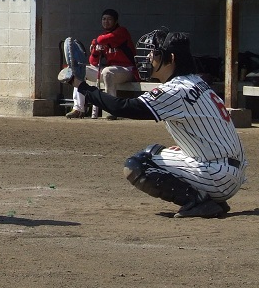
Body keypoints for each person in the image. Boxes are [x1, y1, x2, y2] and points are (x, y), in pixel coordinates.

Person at [59, 28, 247, 218]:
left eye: (155, 53)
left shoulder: (176, 89)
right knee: (153, 151)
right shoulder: (196, 81)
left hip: (218, 176)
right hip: (230, 171)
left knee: (137, 165)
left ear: (171, 58)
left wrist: (81, 86)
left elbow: (122, 107)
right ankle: (210, 198)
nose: (149, 57)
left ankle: (198, 201)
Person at [66, 8, 137, 120]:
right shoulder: (102, 37)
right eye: (104, 19)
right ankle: (78, 109)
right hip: (110, 70)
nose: (106, 22)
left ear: (116, 21)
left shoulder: (121, 32)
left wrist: (95, 42)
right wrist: (96, 51)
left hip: (127, 70)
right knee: (80, 70)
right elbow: (93, 62)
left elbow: (103, 39)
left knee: (107, 72)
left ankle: (112, 109)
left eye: (109, 19)